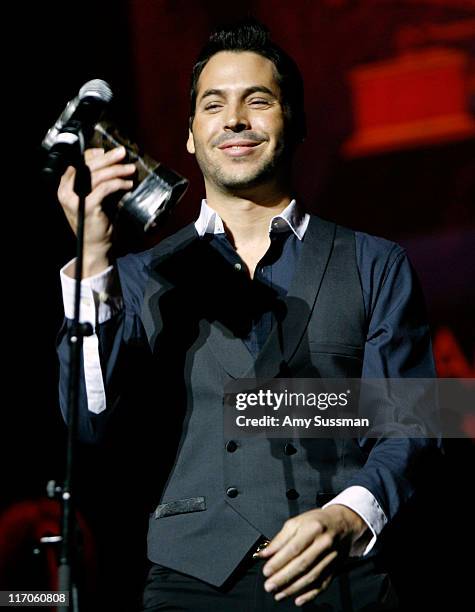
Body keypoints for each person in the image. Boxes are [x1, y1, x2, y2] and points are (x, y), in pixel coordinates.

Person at [56, 18, 439, 611]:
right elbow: (89, 423)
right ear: (190, 135)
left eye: (257, 100)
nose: (234, 119)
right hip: (190, 584)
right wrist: (93, 258)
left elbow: (419, 421)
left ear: (297, 121)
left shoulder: (376, 262)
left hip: (344, 584)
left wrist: (348, 515)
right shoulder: (134, 278)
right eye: (214, 105)